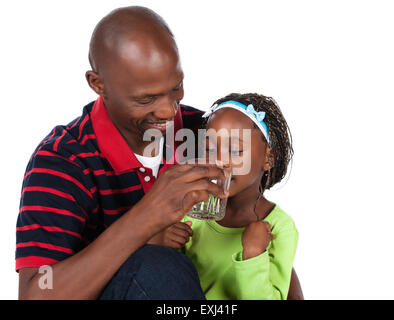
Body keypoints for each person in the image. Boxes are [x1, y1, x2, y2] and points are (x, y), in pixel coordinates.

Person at [16, 6, 303, 300]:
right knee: (157, 266)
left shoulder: (205, 136)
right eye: (146, 98)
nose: (168, 111)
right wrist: (145, 219)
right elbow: (37, 291)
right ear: (98, 84)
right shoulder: (63, 161)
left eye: (176, 88)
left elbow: (259, 231)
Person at [155, 93, 299, 299]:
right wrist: (160, 241)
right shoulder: (193, 212)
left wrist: (253, 255)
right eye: (210, 149)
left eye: (235, 150)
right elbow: (170, 283)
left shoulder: (281, 228)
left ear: (269, 158)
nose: (220, 161)